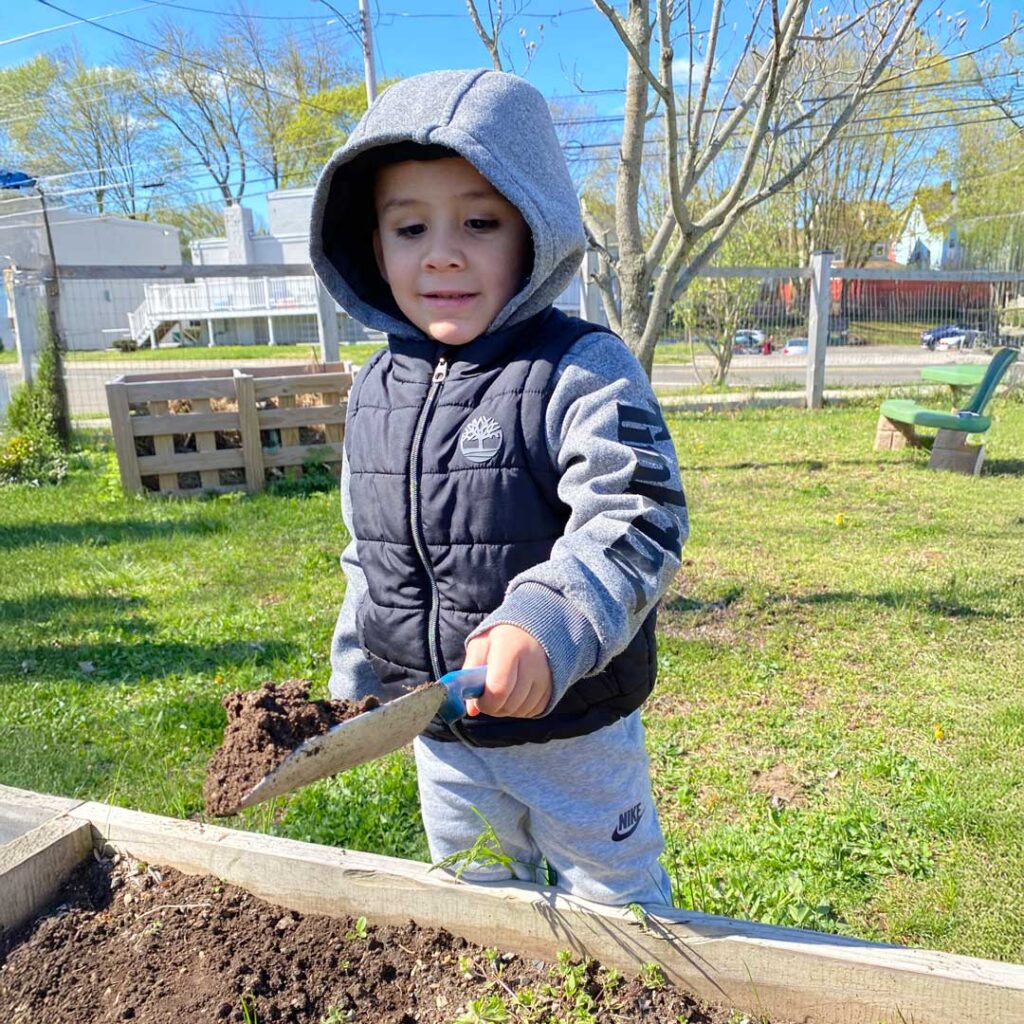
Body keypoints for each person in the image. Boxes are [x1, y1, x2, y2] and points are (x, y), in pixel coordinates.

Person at [309, 69, 688, 907]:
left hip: (572, 732)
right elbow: (366, 553)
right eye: (409, 227)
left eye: (479, 221)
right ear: (373, 246)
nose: (441, 251)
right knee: (477, 912)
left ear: (535, 234)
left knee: (619, 913)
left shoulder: (579, 369)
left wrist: (545, 622)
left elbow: (639, 516)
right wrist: (354, 676)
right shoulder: (373, 390)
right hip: (440, 729)